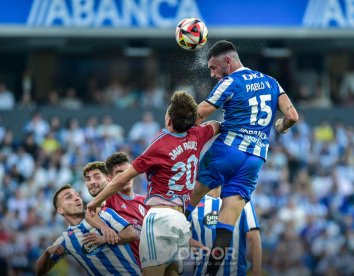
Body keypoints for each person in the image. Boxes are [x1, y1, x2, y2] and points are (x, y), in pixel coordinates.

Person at [184, 40, 299, 275]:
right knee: (226, 224)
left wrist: (180, 124)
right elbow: (293, 116)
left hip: (227, 150)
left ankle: (165, 234)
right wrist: (282, 125)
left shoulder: (230, 82)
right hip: (255, 160)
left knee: (191, 196)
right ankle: (211, 273)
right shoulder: (272, 82)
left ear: (228, 61)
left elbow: (200, 113)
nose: (213, 74)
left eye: (214, 68)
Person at [87, 91, 221, 276]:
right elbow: (215, 125)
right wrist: (195, 122)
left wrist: (95, 201)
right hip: (181, 221)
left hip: (160, 218)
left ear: (169, 121)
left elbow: (122, 178)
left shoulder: (160, 144)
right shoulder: (198, 135)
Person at [35, 184, 141, 275]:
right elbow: (39, 272)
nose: (77, 198)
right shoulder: (66, 240)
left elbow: (132, 234)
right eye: (69, 197)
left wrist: (104, 239)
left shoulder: (104, 214)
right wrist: (47, 253)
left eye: (77, 195)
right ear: (60, 210)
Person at [82, 152, 148, 267]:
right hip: (129, 267)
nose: (125, 176)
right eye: (119, 173)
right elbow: (89, 212)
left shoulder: (145, 201)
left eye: (127, 172)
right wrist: (104, 229)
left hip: (150, 264)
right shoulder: (109, 198)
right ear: (110, 178)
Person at [190, 187, 262, 276]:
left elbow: (254, 238)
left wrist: (257, 271)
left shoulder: (243, 199)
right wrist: (189, 241)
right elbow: (181, 234)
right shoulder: (193, 202)